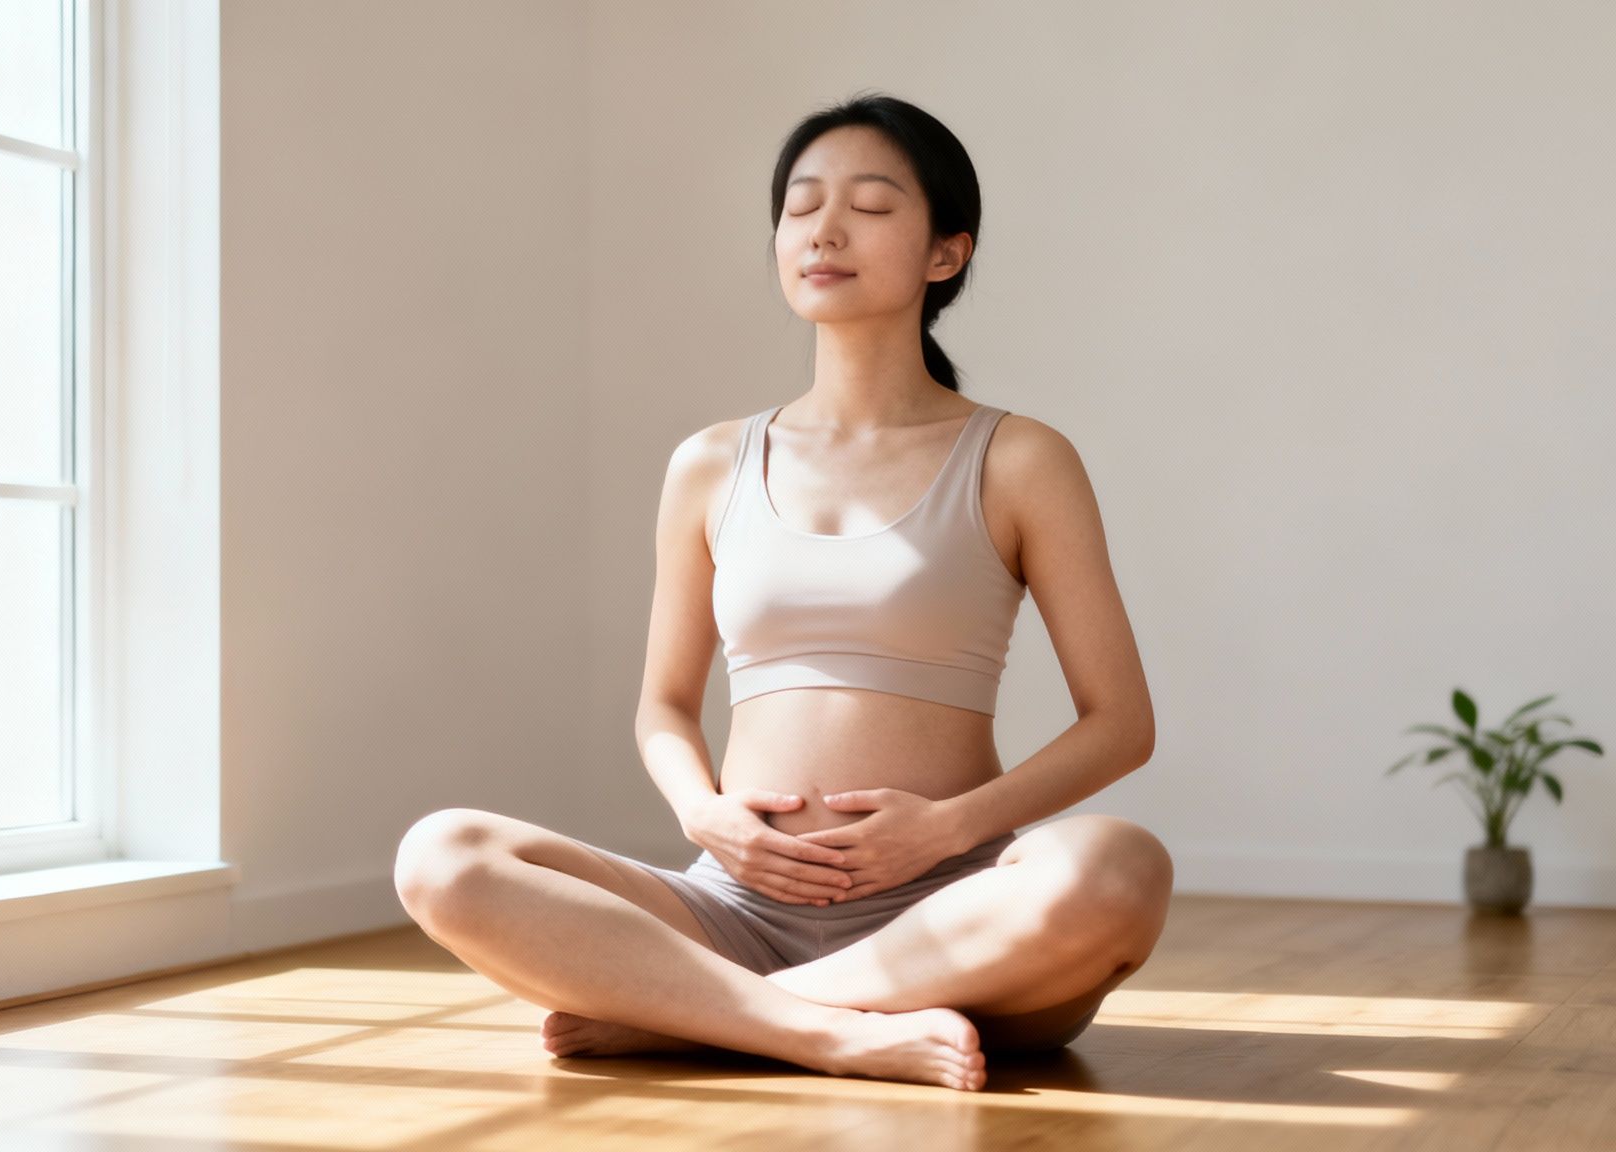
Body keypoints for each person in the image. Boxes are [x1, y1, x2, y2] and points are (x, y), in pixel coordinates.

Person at [394, 92, 1171, 1093]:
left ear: (945, 253)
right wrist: (703, 815)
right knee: (442, 856)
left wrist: (944, 830)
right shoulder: (709, 464)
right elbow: (664, 707)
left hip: (952, 916)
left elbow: (1120, 725)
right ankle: (818, 1031)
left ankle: (704, 1016)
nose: (824, 230)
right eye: (801, 206)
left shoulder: (1019, 460)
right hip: (733, 910)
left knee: (1119, 868)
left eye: (871, 205)